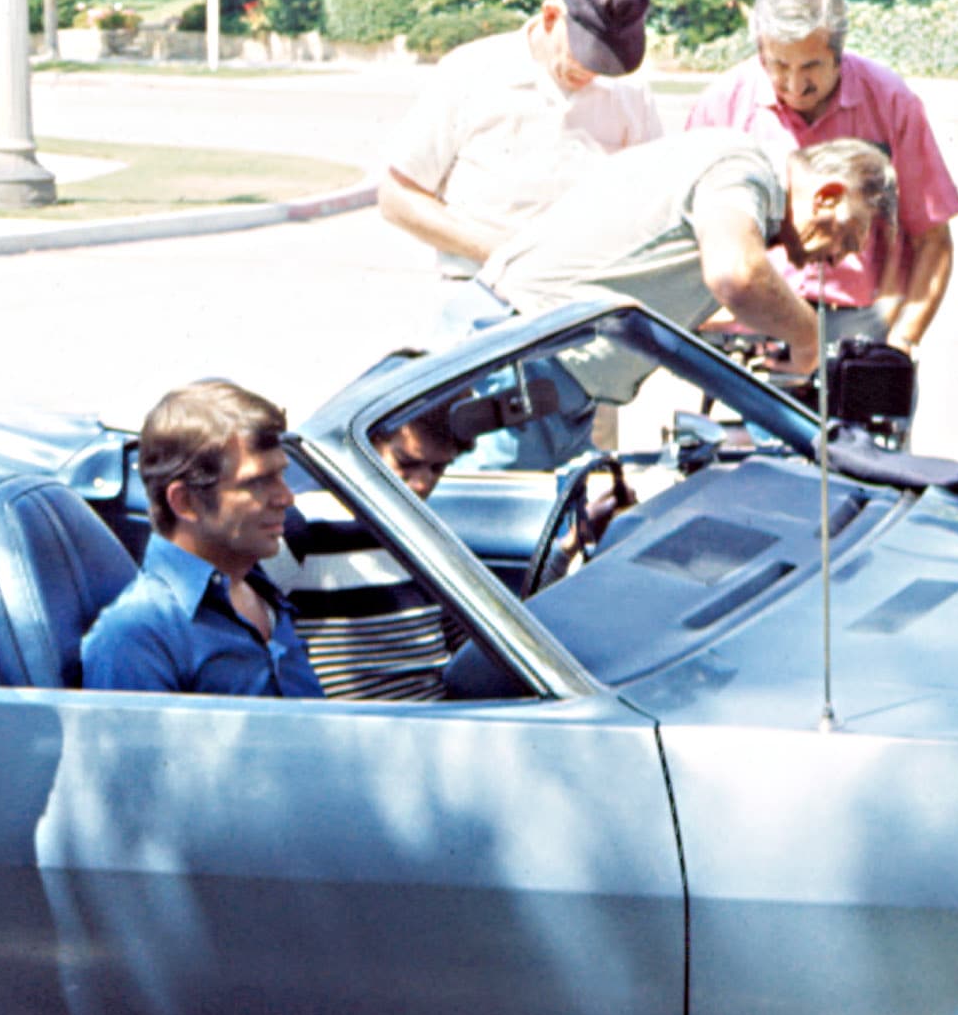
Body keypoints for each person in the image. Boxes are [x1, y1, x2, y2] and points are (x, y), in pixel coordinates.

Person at [470, 132, 896, 446]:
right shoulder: (744, 170)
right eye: (850, 236)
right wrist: (809, 337)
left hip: (538, 376)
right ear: (826, 197)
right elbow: (737, 275)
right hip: (512, 373)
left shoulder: (732, 171)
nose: (842, 258)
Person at [380, 0, 664, 334]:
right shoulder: (471, 72)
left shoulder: (631, 96)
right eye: (588, 55)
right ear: (551, 17)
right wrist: (502, 251)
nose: (596, 72)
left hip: (584, 310)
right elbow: (397, 198)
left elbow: (652, 207)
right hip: (480, 300)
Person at [684, 0, 958, 354]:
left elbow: (933, 239)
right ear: (760, 50)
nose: (796, 86)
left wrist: (901, 344)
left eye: (811, 67)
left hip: (861, 326)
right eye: (779, 66)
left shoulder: (891, 102)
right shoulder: (721, 105)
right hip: (749, 325)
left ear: (839, 52)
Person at [81, 380, 325, 698]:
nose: (286, 497)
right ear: (186, 502)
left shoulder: (256, 591)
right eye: (257, 483)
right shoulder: (138, 637)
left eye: (281, 476)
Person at [266, 412, 463, 702]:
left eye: (438, 468)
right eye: (406, 464)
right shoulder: (306, 523)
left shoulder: (427, 529)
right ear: (364, 448)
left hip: (429, 711)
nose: (422, 483)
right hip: (353, 722)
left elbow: (461, 638)